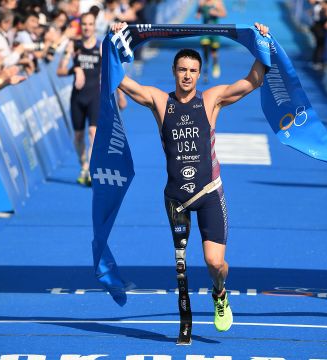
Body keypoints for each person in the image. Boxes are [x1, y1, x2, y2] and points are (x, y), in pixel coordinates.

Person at [111, 21, 270, 332]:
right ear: (174, 71)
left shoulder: (211, 100)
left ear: (200, 74)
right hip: (176, 199)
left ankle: (220, 293)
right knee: (181, 268)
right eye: (182, 69)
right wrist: (115, 40)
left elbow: (253, 80)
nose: (187, 76)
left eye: (192, 71)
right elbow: (120, 80)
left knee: (214, 263)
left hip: (210, 193)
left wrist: (263, 42)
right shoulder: (159, 101)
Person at [57, 11, 101, 185]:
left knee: (93, 132)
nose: (87, 27)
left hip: (94, 95)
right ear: (80, 26)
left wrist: (119, 96)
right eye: (84, 24)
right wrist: (74, 69)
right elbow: (59, 71)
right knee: (78, 136)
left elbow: (109, 73)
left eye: (90, 24)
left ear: (94, 26)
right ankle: (83, 165)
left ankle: (90, 169)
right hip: (77, 97)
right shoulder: (74, 46)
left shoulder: (100, 47)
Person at [196, 0, 226, 82]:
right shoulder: (201, 2)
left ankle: (215, 63)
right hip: (205, 30)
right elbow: (198, 12)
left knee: (214, 52)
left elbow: (224, 14)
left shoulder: (217, 2)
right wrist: (198, 13)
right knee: (205, 50)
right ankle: (205, 70)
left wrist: (215, 13)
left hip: (215, 31)